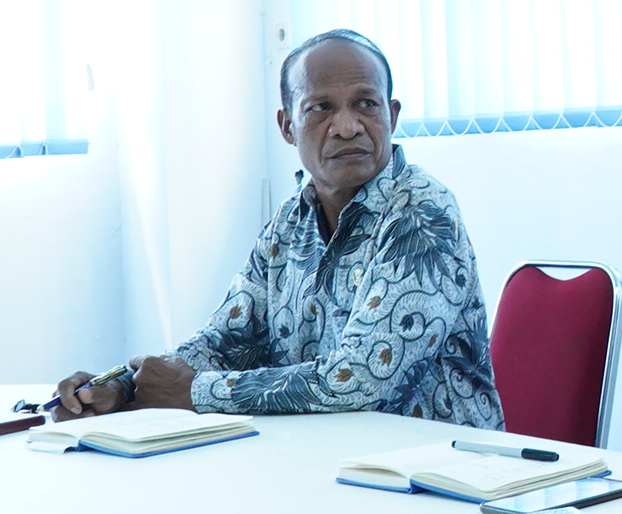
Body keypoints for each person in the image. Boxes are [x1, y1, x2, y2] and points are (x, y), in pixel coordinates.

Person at [52, 29, 502, 429]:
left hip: (440, 474)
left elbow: (360, 379)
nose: (347, 127)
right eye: (320, 108)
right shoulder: (291, 220)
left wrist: (192, 393)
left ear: (392, 114)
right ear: (287, 126)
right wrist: (123, 386)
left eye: (366, 104)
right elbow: (227, 342)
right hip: (330, 461)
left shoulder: (422, 214)